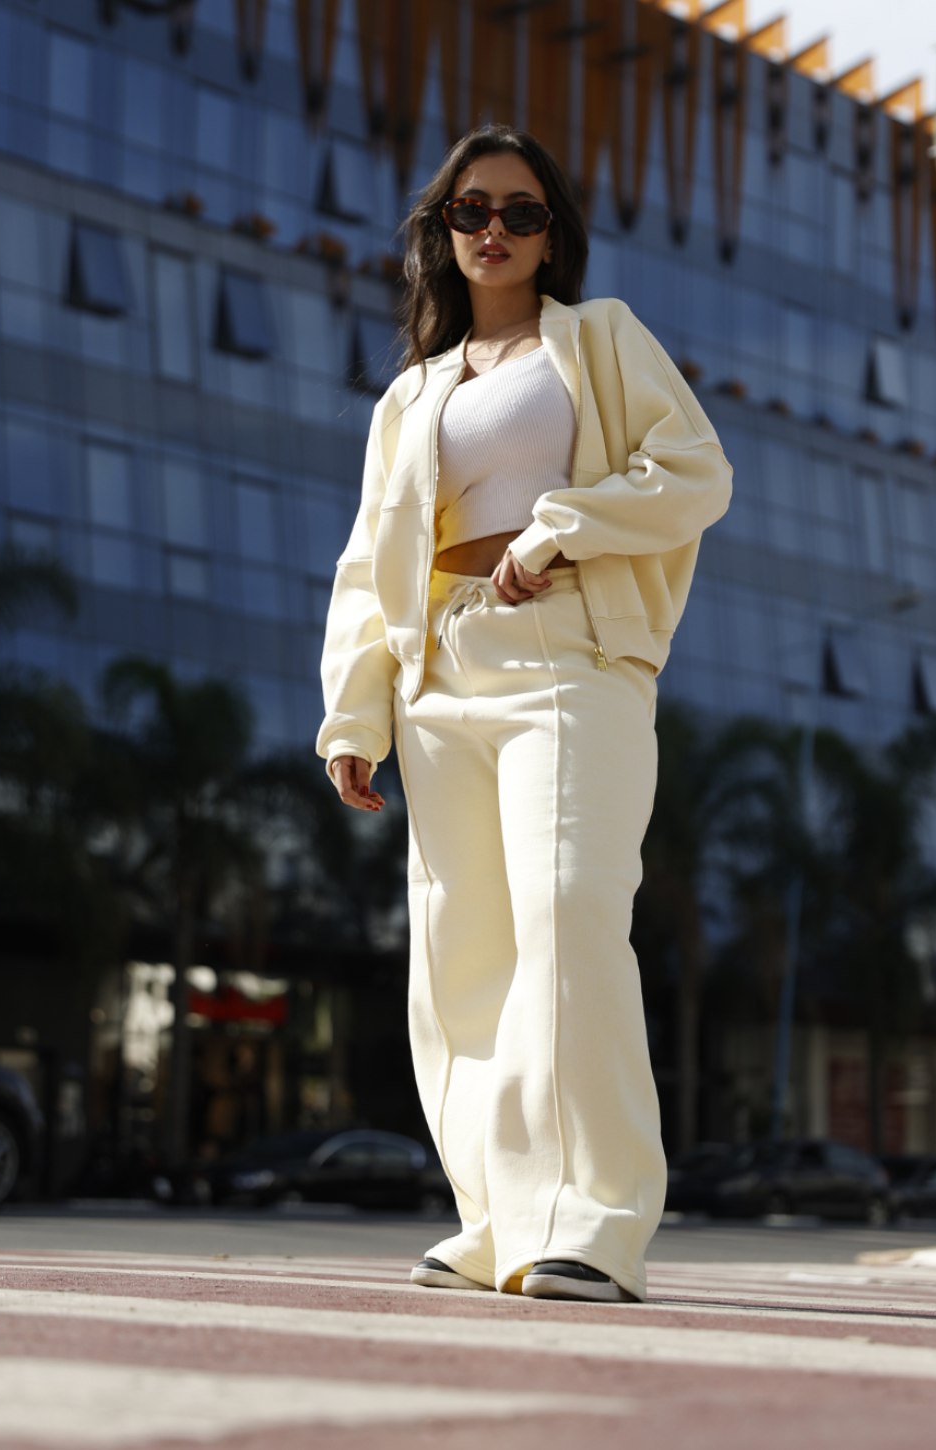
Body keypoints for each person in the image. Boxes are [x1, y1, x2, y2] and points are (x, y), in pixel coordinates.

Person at [316, 124, 732, 1303]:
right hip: (438, 673)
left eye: (521, 211)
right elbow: (369, 563)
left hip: (571, 656)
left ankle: (596, 1222)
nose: (493, 228)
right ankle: (497, 1218)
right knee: (463, 955)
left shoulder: (600, 340)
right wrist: (354, 714)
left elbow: (695, 472)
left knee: (568, 912)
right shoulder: (411, 395)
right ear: (441, 232)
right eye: (470, 210)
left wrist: (561, 528)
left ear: (553, 237)